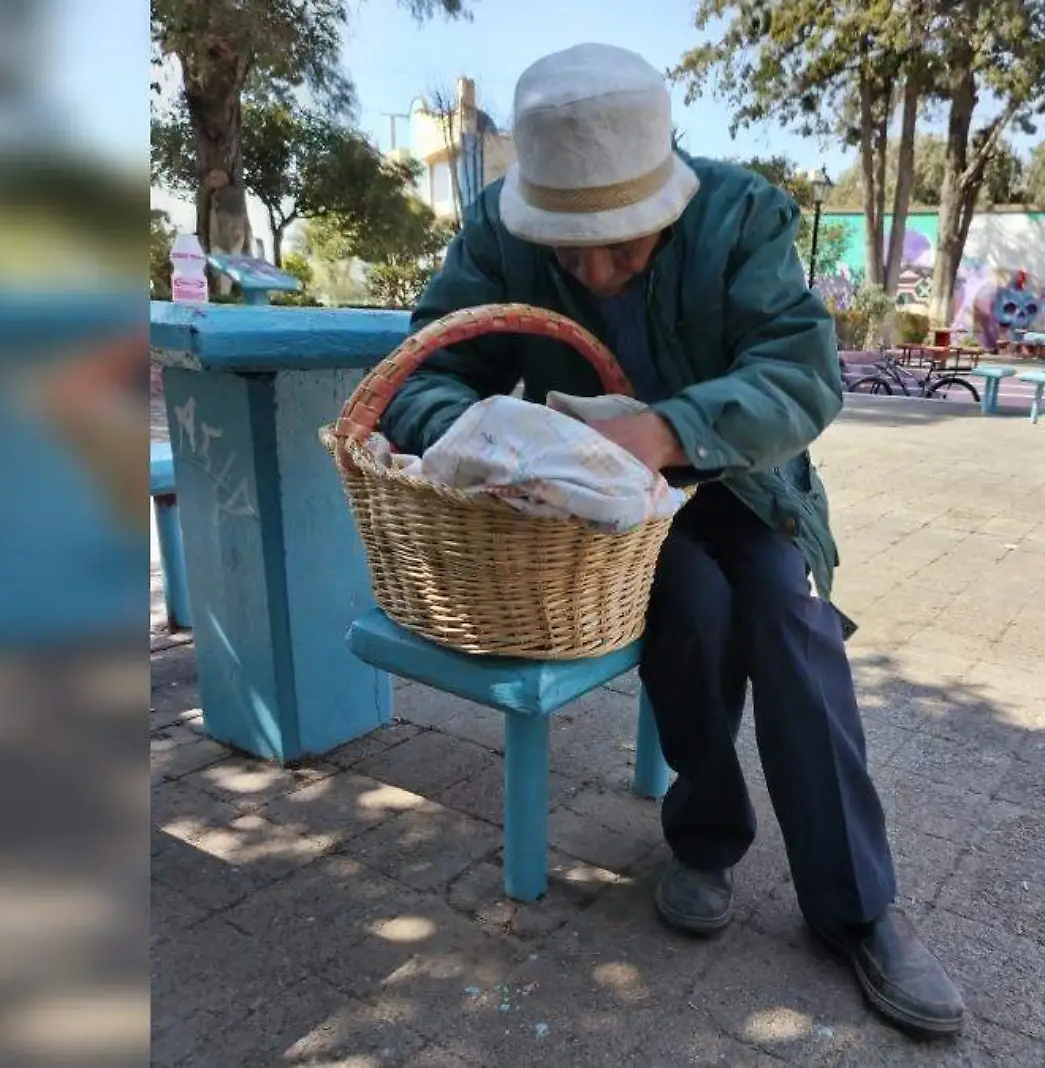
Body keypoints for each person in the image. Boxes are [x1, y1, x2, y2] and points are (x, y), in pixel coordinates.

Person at [380, 43, 965, 1036]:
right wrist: (478, 440)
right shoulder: (491, 235)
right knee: (686, 611)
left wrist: (662, 430)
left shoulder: (742, 216)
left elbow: (801, 375)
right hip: (599, 519)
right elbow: (425, 367)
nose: (595, 270)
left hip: (746, 485)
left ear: (668, 194)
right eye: (569, 248)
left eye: (622, 245)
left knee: (786, 615)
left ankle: (858, 908)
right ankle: (703, 840)